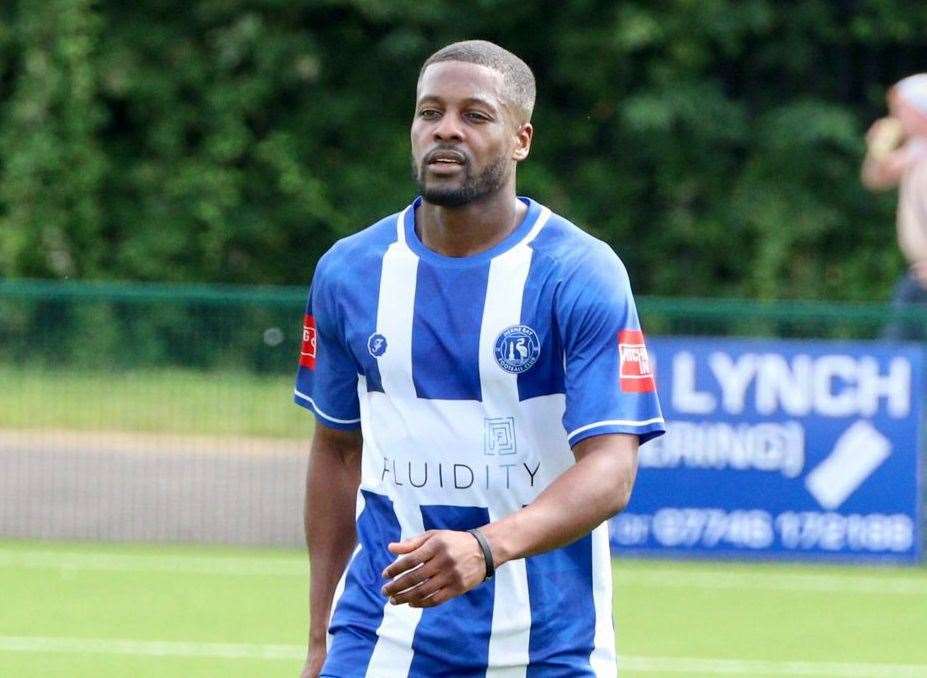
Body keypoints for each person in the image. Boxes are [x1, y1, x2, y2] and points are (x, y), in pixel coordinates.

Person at [294, 40, 664, 678]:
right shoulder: (349, 272)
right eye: (429, 111)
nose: (445, 129)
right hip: (378, 633)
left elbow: (612, 469)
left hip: (548, 642)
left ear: (521, 139)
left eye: (475, 115)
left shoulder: (578, 272)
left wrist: (486, 548)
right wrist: (320, 635)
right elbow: (337, 452)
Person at [862, 74, 927, 340]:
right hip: (918, 273)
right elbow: (875, 179)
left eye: (902, 110)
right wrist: (878, 148)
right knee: (895, 354)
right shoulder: (917, 150)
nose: (896, 117)